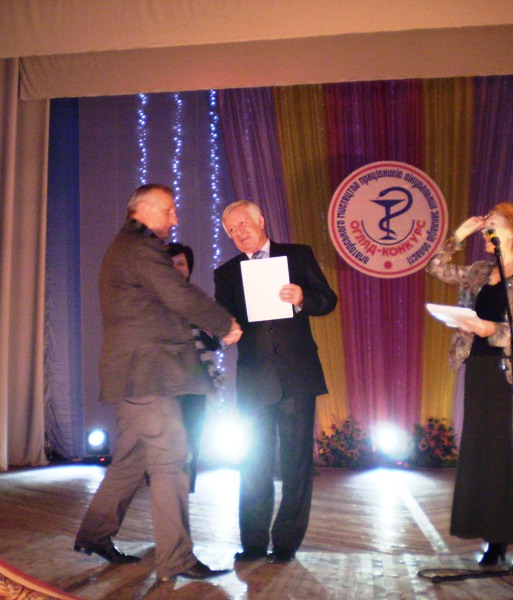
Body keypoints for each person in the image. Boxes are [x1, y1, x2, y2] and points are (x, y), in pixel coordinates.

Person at [74, 184, 242, 582]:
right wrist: (224, 323)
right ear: (144, 209)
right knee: (172, 457)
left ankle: (95, 534)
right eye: (169, 210)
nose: (175, 218)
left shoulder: (128, 247)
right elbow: (178, 294)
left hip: (137, 375)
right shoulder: (138, 248)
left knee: (132, 459)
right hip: (146, 375)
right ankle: (176, 559)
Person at [425, 202, 513, 567]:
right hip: (481, 370)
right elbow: (435, 268)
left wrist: (493, 330)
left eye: (493, 225)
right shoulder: (479, 271)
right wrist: (458, 235)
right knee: (487, 456)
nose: (486, 230)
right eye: (485, 225)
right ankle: (496, 538)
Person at [213, 200, 338, 564]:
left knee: (296, 464)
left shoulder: (297, 256)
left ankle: (285, 543)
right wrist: (225, 330)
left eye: (242, 224)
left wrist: (302, 298)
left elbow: (327, 300)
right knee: (253, 464)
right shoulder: (227, 273)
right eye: (231, 230)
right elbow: (222, 318)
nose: (238, 233)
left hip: (296, 376)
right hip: (255, 380)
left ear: (261, 221)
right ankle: (253, 543)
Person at [164, 242, 221, 493]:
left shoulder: (197, 301)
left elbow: (214, 344)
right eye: (171, 263)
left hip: (195, 379)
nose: (177, 268)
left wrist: (208, 328)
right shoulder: (152, 300)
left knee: (193, 436)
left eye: (182, 263)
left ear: (189, 269)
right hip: (164, 379)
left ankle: (186, 487)